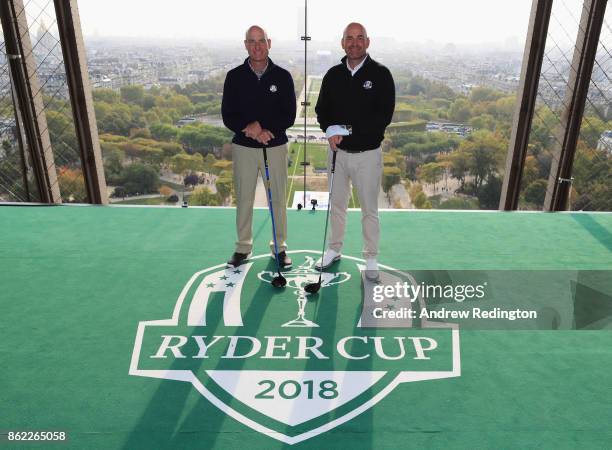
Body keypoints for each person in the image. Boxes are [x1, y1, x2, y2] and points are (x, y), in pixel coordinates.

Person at [315, 22, 395, 281]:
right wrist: (329, 129)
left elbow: (382, 117)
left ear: (367, 42)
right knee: (337, 205)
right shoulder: (332, 75)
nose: (354, 42)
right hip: (337, 153)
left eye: (359, 38)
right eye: (349, 38)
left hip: (367, 156)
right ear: (342, 43)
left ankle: (371, 257)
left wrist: (343, 129)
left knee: (369, 209)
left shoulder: (381, 74)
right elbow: (321, 111)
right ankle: (334, 249)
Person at [222, 25, 296, 269]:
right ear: (245, 45)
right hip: (244, 147)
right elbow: (227, 115)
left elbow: (289, 115)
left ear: (269, 43)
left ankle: (280, 248)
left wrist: (263, 129)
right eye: (251, 41)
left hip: (274, 146)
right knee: (244, 198)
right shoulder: (234, 76)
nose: (257, 46)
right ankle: (243, 247)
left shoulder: (283, 76)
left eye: (261, 41)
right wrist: (250, 128)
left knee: (277, 199)